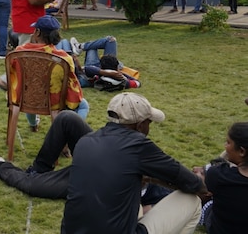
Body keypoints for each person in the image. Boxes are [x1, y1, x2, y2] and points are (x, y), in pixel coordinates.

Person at [61, 93, 204, 234]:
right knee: (192, 201)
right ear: (140, 125)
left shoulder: (84, 141)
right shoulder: (138, 145)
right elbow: (192, 183)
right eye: (149, 122)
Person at [15, 15, 88, 130]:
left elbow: (14, 73)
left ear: (37, 32)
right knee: (83, 105)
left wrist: (30, 44)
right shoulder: (64, 58)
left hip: (27, 99)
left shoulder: (20, 52)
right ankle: (72, 129)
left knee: (31, 91)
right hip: (54, 102)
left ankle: (33, 125)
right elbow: (70, 81)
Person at [200, 121, 248, 233]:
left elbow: (203, 189)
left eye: (228, 143)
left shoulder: (220, 175)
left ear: (242, 151)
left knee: (204, 198)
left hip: (220, 227)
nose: (225, 146)